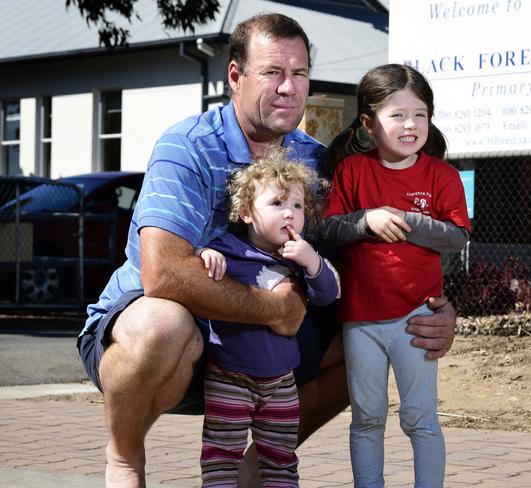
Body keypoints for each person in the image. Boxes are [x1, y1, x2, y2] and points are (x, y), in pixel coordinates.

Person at [76, 13, 457, 488]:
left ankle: (253, 472)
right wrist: (271, 309)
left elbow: (370, 258)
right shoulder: (188, 146)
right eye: (273, 72)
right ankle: (125, 457)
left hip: (264, 351)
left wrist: (433, 310)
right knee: (161, 325)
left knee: (369, 344)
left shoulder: (318, 162)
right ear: (235, 76)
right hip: (174, 344)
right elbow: (162, 274)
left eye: (299, 74)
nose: (288, 87)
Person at [320, 63, 471, 488]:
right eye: (397, 115)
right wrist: (367, 219)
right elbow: (327, 229)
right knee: (367, 417)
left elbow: (458, 235)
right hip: (361, 321)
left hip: (417, 318)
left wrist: (407, 218)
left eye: (420, 114)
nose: (410, 125)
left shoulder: (442, 176)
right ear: (368, 123)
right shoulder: (352, 171)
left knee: (419, 417)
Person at [196, 151, 339, 487]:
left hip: (281, 382)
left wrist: (313, 263)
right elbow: (195, 260)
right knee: (221, 458)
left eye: (298, 206)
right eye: (277, 203)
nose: (290, 213)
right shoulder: (229, 248)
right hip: (229, 376)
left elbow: (328, 294)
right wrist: (205, 254)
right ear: (246, 212)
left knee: (280, 460)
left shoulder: (299, 255)